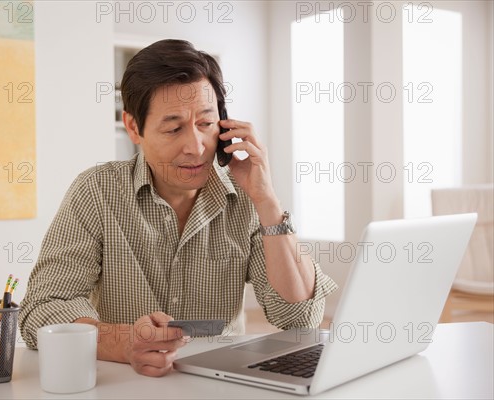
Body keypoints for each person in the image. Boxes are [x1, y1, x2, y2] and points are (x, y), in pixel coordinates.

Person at [19, 39, 337, 377]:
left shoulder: (247, 197)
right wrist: (125, 342)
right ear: (133, 127)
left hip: (220, 381)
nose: (195, 146)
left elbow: (299, 318)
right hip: (127, 382)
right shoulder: (97, 191)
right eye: (173, 128)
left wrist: (268, 201)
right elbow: (43, 310)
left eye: (205, 124)